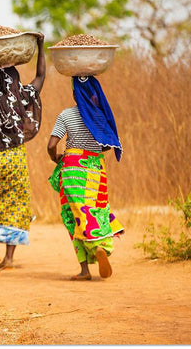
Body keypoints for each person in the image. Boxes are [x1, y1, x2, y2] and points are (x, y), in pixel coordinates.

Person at [0, 33, 45, 269]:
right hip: (15, 159)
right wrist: (40, 45)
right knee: (15, 204)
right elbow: (42, 75)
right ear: (15, 78)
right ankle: (10, 258)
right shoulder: (23, 96)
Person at [47, 75, 124, 280]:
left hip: (73, 169)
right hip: (96, 169)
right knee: (97, 210)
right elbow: (110, 142)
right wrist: (94, 149)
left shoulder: (66, 115)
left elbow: (51, 145)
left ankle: (84, 270)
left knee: (74, 215)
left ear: (75, 94)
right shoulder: (100, 116)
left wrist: (56, 159)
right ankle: (101, 247)